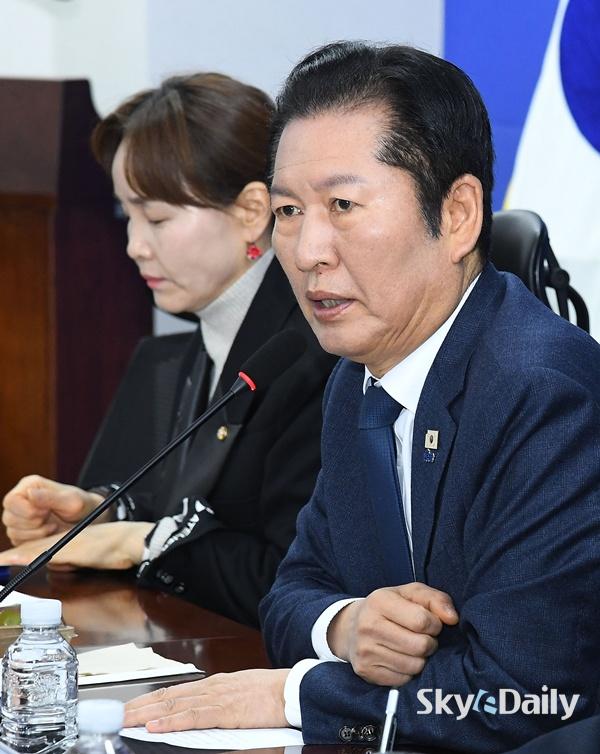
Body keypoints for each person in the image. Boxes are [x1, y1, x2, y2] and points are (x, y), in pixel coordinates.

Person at [120, 43, 600, 753]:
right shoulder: (359, 375)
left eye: (343, 205)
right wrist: (346, 626)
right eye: (288, 210)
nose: (306, 250)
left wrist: (295, 696)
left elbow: (527, 698)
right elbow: (291, 595)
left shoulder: (545, 394)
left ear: (458, 214)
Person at [0, 72, 337, 627]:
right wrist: (97, 514)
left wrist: (135, 543)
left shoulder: (311, 351)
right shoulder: (207, 334)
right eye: (126, 216)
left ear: (252, 212)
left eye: (156, 218)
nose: (134, 246)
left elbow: (292, 575)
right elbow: (189, 503)